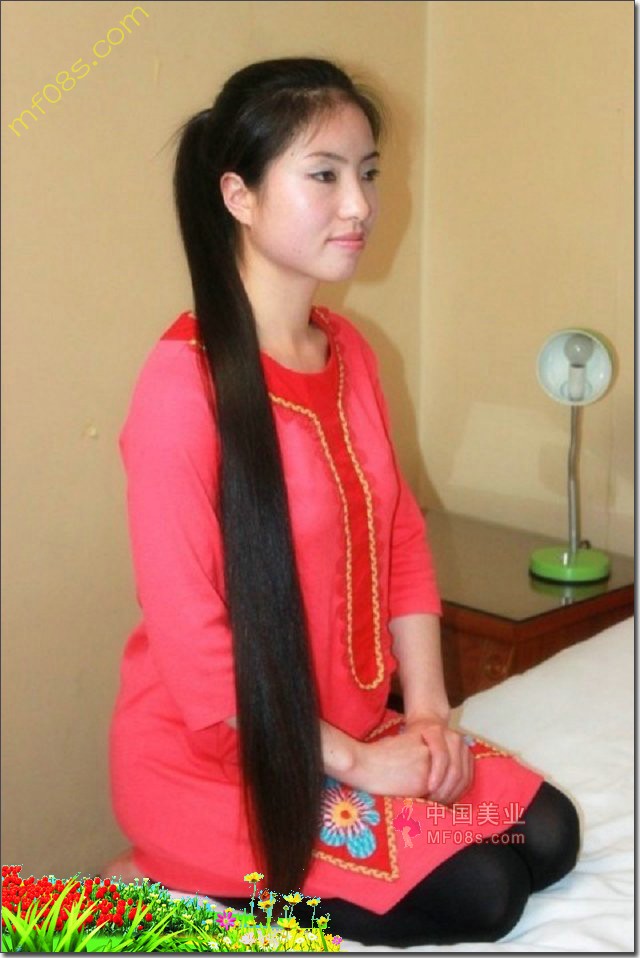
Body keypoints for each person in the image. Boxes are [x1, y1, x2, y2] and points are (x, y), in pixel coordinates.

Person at [104, 57, 579, 947]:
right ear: (239, 196)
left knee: (547, 837)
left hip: (353, 729)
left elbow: (400, 536)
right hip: (228, 762)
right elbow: (198, 651)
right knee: (489, 894)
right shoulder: (181, 389)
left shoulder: (349, 350)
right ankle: (172, 871)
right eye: (323, 175)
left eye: (367, 173)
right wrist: (360, 764)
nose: (359, 205)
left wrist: (428, 716)